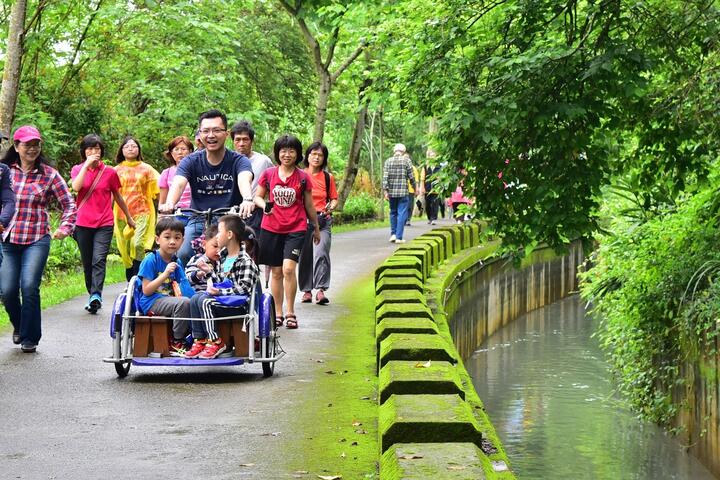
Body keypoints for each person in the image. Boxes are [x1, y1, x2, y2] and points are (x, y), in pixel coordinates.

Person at [1, 125, 76, 353]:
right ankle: (20, 325)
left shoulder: (49, 174)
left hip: (36, 238)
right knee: (7, 290)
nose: (32, 149)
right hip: (8, 238)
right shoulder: (6, 172)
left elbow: (69, 204)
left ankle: (30, 337)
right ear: (16, 146)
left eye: (36, 145)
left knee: (30, 286)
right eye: (27, 145)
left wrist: (65, 227)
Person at [159, 110, 254, 265]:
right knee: (183, 252)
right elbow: (179, 183)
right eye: (206, 131)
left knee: (240, 257)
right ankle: (185, 287)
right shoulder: (190, 161)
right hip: (198, 219)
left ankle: (249, 288)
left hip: (230, 219)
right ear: (200, 134)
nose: (211, 135)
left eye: (216, 130)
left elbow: (244, 179)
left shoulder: (239, 160)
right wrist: (170, 203)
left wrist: (247, 199)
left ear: (226, 133)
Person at [254, 134, 320, 329]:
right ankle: (278, 312)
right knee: (276, 272)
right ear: (278, 153)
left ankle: (291, 311)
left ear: (298, 154)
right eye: (283, 150)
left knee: (288, 269)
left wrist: (315, 227)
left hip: (296, 228)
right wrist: (264, 205)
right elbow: (257, 197)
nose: (287, 154)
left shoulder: (303, 178)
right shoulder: (268, 174)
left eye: (291, 151)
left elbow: (309, 204)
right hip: (271, 228)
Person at [71, 134, 135, 314]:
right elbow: (76, 187)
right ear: (84, 152)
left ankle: (96, 295)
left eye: (97, 149)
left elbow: (118, 196)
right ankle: (92, 294)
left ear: (102, 151)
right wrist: (86, 165)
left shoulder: (109, 172)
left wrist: (128, 217)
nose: (94, 152)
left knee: (99, 259)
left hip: (104, 222)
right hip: (83, 223)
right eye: (90, 149)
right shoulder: (77, 169)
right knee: (87, 263)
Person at [185, 215, 259, 359]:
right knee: (196, 298)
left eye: (219, 232)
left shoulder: (245, 261)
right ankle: (200, 339)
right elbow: (219, 280)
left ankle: (215, 341)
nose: (217, 236)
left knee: (205, 302)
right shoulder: (223, 257)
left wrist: (219, 291)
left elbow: (244, 289)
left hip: (238, 305)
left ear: (230, 235)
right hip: (224, 300)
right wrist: (208, 272)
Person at [137, 216, 196, 357]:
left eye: (177, 238)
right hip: (151, 301)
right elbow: (146, 290)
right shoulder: (150, 260)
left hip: (170, 301)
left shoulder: (177, 261)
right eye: (167, 237)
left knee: (194, 301)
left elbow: (184, 286)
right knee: (183, 303)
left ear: (182, 240)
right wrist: (164, 275)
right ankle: (176, 342)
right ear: (158, 240)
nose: (172, 242)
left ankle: (196, 338)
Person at [113, 136, 160, 281]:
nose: (131, 148)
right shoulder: (115, 170)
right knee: (125, 247)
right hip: (121, 213)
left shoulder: (147, 169)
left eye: (134, 146)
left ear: (138, 149)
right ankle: (130, 277)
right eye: (127, 146)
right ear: (122, 150)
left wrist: (164, 208)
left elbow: (159, 189)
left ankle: (138, 277)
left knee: (138, 243)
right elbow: (109, 192)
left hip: (142, 212)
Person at [298, 142, 337, 305]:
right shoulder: (300, 175)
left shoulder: (328, 177)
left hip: (323, 220)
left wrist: (330, 208)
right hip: (303, 221)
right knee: (305, 256)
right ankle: (307, 291)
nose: (316, 157)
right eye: (313, 154)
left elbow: (334, 198)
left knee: (321, 253)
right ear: (307, 156)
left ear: (324, 158)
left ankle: (320, 290)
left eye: (320, 155)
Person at [231, 120, 273, 232]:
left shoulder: (263, 161)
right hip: (231, 211)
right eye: (237, 139)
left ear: (252, 141)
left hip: (256, 212)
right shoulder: (227, 161)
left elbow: (273, 185)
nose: (241, 143)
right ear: (233, 141)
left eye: (245, 139)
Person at [382, 143, 415, 244]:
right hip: (403, 192)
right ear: (403, 151)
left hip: (392, 192)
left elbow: (385, 178)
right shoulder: (406, 161)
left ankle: (393, 234)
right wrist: (415, 187)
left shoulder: (388, 161)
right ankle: (399, 237)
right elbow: (411, 177)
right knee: (402, 213)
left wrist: (385, 191)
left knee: (393, 212)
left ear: (394, 151)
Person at [158, 136, 194, 215]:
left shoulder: (197, 170)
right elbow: (162, 202)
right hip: (175, 214)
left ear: (190, 151)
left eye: (183, 149)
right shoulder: (166, 173)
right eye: (176, 149)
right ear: (171, 153)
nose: (180, 152)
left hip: (195, 213)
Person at [184, 224, 221, 293]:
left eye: (222, 247)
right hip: (198, 294)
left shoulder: (222, 262)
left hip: (216, 294)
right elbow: (187, 278)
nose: (219, 250)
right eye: (215, 246)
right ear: (204, 245)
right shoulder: (198, 259)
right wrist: (198, 274)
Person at [419, 149, 441, 225]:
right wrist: (422, 188)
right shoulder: (425, 167)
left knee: (435, 203)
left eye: (434, 156)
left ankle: (434, 218)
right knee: (428, 204)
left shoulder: (439, 166)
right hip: (427, 188)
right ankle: (429, 218)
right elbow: (422, 179)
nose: (432, 157)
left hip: (436, 188)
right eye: (431, 156)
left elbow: (442, 177)